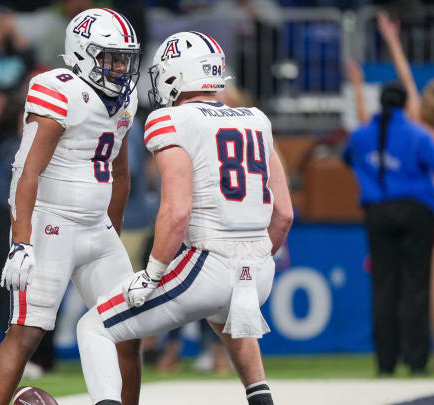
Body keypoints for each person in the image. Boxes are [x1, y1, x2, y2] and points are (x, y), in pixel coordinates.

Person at [76, 32, 293, 405]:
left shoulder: (170, 120)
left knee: (94, 327)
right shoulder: (257, 119)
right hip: (260, 269)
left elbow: (177, 209)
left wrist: (153, 273)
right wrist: (253, 260)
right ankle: (261, 398)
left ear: (175, 75)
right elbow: (284, 213)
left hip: (210, 260)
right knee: (227, 317)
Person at [0, 8, 142, 405]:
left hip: (95, 229)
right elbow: (25, 170)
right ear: (83, 52)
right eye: (111, 56)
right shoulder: (58, 88)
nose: (121, 66)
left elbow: (118, 172)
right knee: (26, 334)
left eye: (125, 57)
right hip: (50, 223)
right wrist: (22, 242)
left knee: (128, 332)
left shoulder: (125, 98)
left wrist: (112, 234)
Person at [343, 80, 434, 375]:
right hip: (417, 213)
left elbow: (347, 157)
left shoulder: (361, 136)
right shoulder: (416, 135)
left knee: (383, 288)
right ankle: (416, 360)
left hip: (377, 213)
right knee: (416, 286)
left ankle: (385, 363)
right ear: (403, 103)